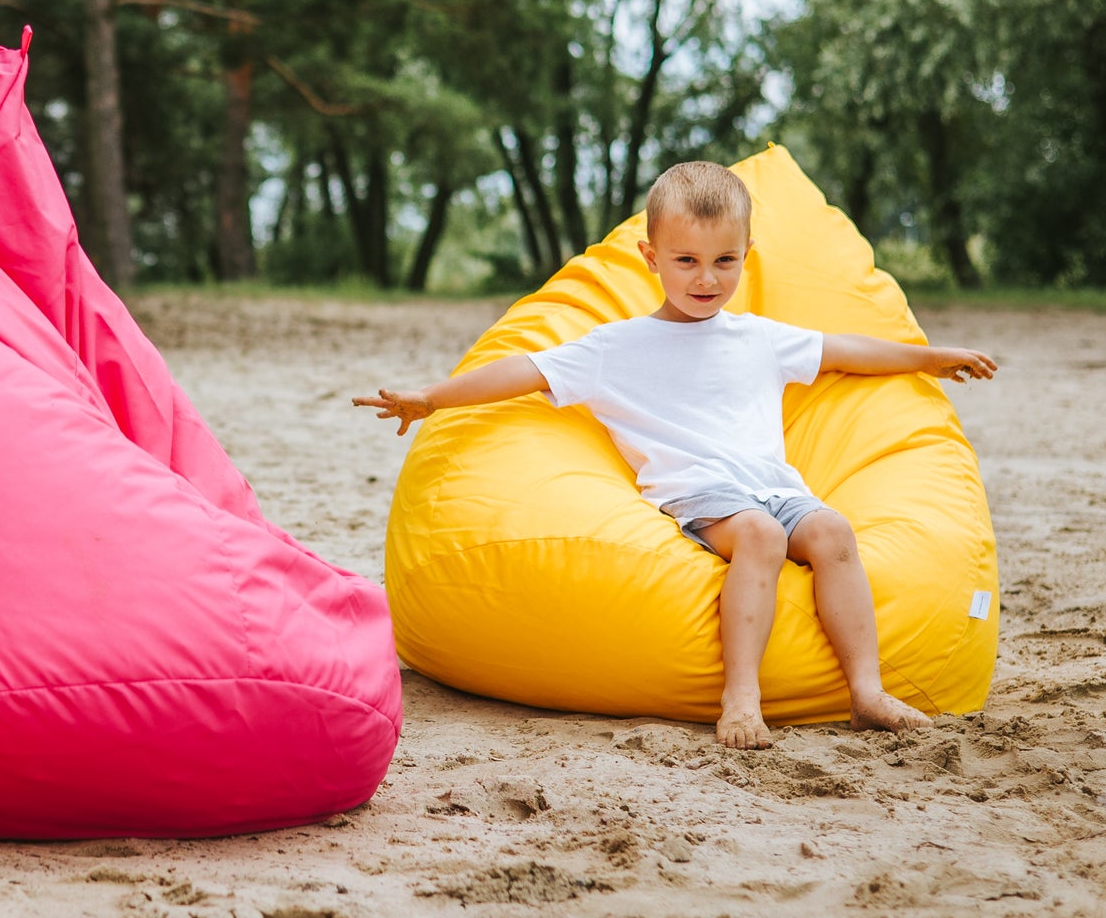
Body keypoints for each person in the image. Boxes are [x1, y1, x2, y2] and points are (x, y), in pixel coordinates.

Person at [355, 160, 997, 749]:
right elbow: (524, 369)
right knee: (762, 537)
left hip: (773, 481)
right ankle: (742, 696)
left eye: (724, 261)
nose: (706, 278)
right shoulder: (618, 346)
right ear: (650, 258)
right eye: (686, 260)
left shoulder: (759, 338)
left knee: (831, 530)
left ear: (746, 257)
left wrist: (931, 358)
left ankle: (866, 691)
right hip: (694, 490)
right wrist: (432, 399)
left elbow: (848, 351)